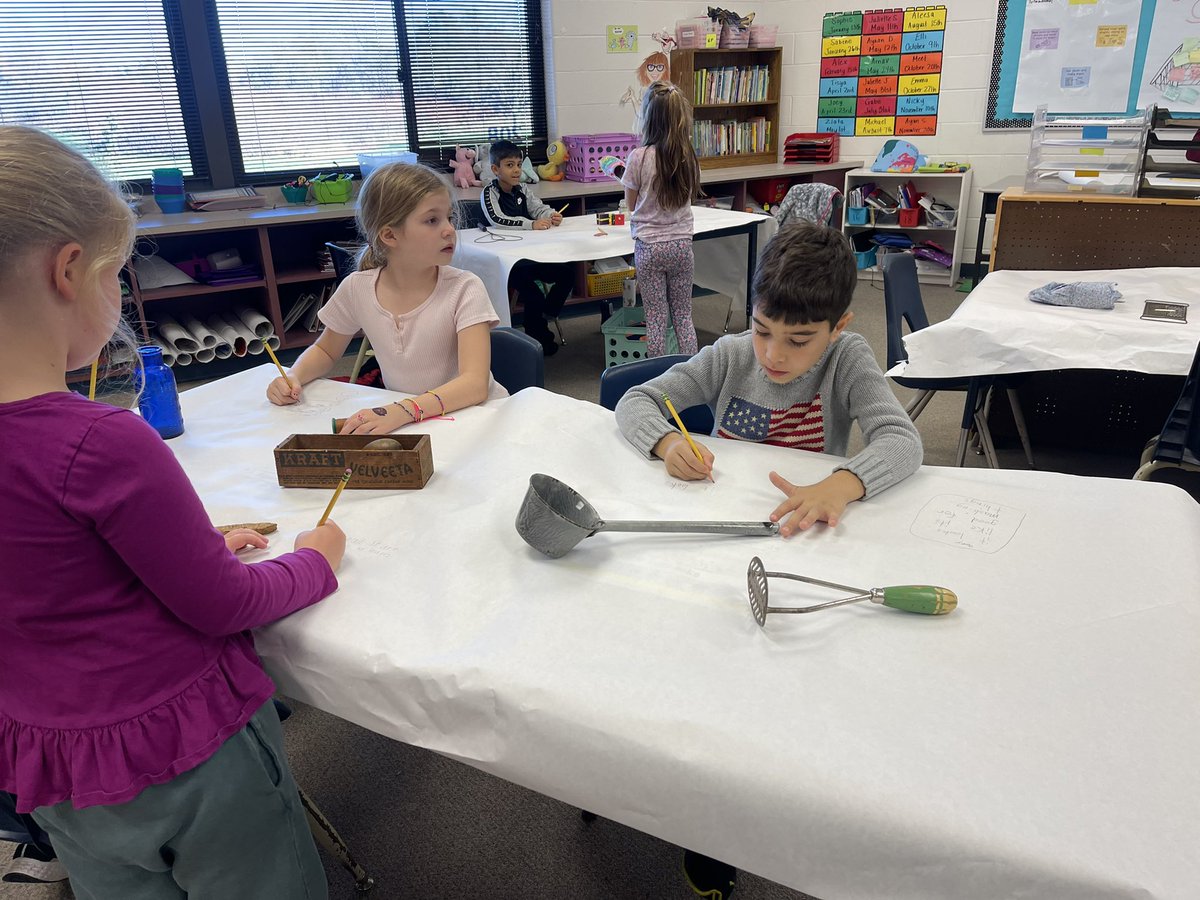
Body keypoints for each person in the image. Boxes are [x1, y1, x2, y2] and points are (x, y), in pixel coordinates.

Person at [0, 125, 346, 898]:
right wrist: (317, 559)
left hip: (54, 761)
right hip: (184, 750)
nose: (120, 298)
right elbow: (226, 602)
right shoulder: (101, 439)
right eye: (117, 277)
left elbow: (40, 570)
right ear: (67, 271)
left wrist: (177, 543)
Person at [615, 221, 923, 535]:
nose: (773, 355)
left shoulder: (846, 358)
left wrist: (842, 485)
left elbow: (901, 440)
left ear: (838, 327)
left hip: (804, 523)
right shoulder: (731, 355)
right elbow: (637, 400)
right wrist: (666, 443)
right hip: (721, 509)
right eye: (762, 331)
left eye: (798, 341)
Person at [269, 162, 502, 431]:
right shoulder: (358, 288)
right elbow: (325, 350)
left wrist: (401, 411)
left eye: (449, 217)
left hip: (475, 419)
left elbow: (474, 384)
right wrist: (293, 375)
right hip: (415, 422)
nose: (449, 229)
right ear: (390, 235)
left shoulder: (464, 288)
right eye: (432, 220)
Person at [621, 81, 701, 357]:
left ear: (648, 119)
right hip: (681, 246)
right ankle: (692, 371)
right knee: (683, 314)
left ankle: (656, 377)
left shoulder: (639, 157)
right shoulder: (687, 156)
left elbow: (631, 205)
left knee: (656, 318)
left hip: (650, 247)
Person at [480, 139, 575, 356]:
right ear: (496, 169)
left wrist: (550, 215)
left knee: (567, 275)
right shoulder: (489, 193)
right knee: (533, 297)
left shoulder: (523, 188)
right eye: (509, 165)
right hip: (508, 264)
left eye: (519, 164)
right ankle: (539, 338)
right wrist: (530, 224)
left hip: (530, 258)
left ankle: (548, 312)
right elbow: (497, 219)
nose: (516, 170)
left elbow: (537, 207)